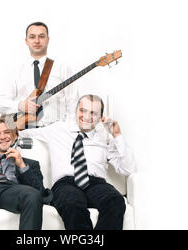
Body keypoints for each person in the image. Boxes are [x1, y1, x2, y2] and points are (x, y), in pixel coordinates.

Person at [19, 94, 136, 230]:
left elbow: (128, 169)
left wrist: (117, 135)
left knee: (116, 201)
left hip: (96, 183)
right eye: (83, 110)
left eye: (93, 113)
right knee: (72, 204)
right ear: (76, 111)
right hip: (65, 184)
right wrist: (21, 111)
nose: (86, 117)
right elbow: (21, 133)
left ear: (100, 118)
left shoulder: (105, 137)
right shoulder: (57, 129)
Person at [0, 21, 79, 128]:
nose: (37, 41)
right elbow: (0, 103)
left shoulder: (62, 68)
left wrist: (69, 129)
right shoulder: (15, 71)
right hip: (23, 131)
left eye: (41, 36)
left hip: (55, 130)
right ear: (26, 41)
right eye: (32, 37)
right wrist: (20, 105)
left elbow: (73, 102)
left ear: (48, 40)